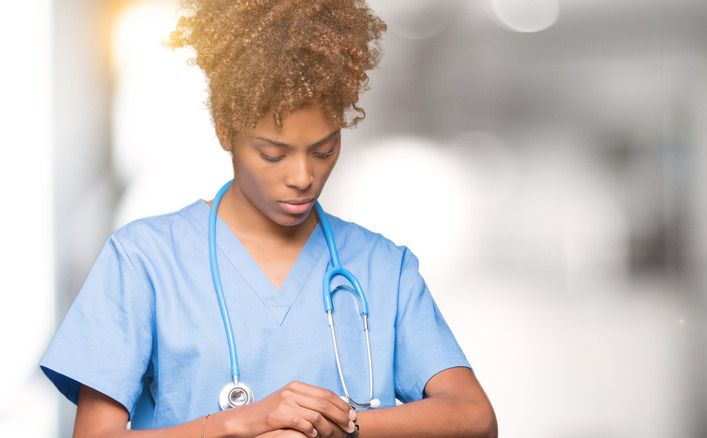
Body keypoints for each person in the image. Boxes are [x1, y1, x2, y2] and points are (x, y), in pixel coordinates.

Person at [40, 0, 498, 437]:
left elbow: (474, 417)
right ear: (225, 129)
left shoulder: (383, 268)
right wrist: (240, 423)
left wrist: (332, 427)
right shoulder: (143, 260)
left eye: (323, 150)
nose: (303, 177)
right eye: (272, 154)